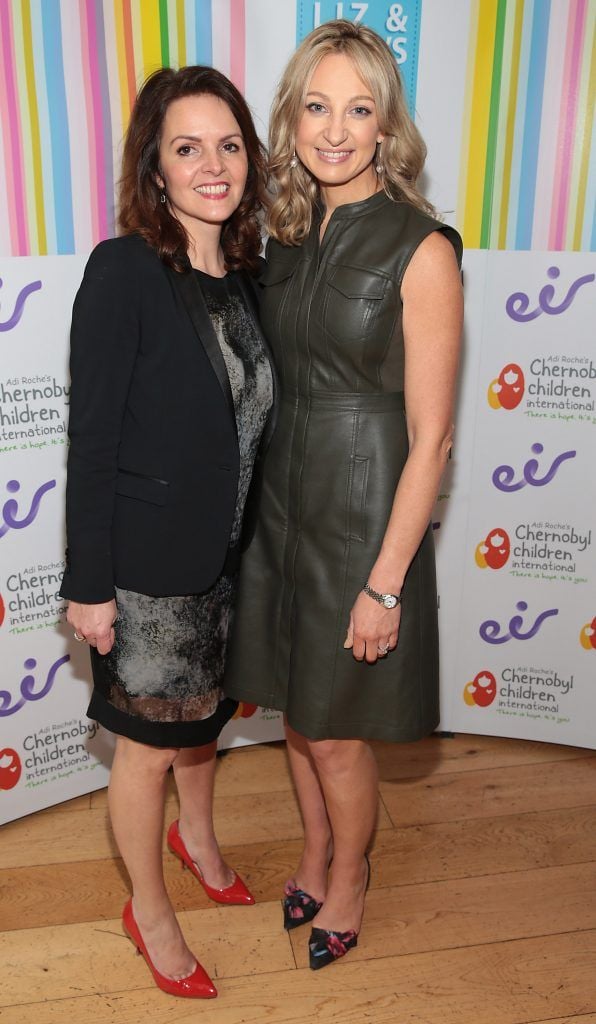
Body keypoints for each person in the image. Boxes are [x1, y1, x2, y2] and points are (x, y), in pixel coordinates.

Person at [224, 20, 463, 970]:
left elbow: (434, 436)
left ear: (385, 126)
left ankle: (352, 875)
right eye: (317, 106)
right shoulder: (281, 235)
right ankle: (317, 850)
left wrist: (386, 581)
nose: (334, 129)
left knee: (336, 736)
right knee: (295, 712)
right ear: (291, 115)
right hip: (278, 511)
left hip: (362, 518)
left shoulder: (422, 247)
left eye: (357, 109)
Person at [59, 65, 274, 999]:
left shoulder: (251, 274)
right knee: (148, 747)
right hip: (146, 574)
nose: (212, 165)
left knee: (204, 726)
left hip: (226, 562)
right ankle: (147, 912)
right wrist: (89, 584)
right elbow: (93, 436)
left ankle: (200, 839)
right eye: (187, 148)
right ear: (156, 166)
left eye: (228, 145)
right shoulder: (124, 270)